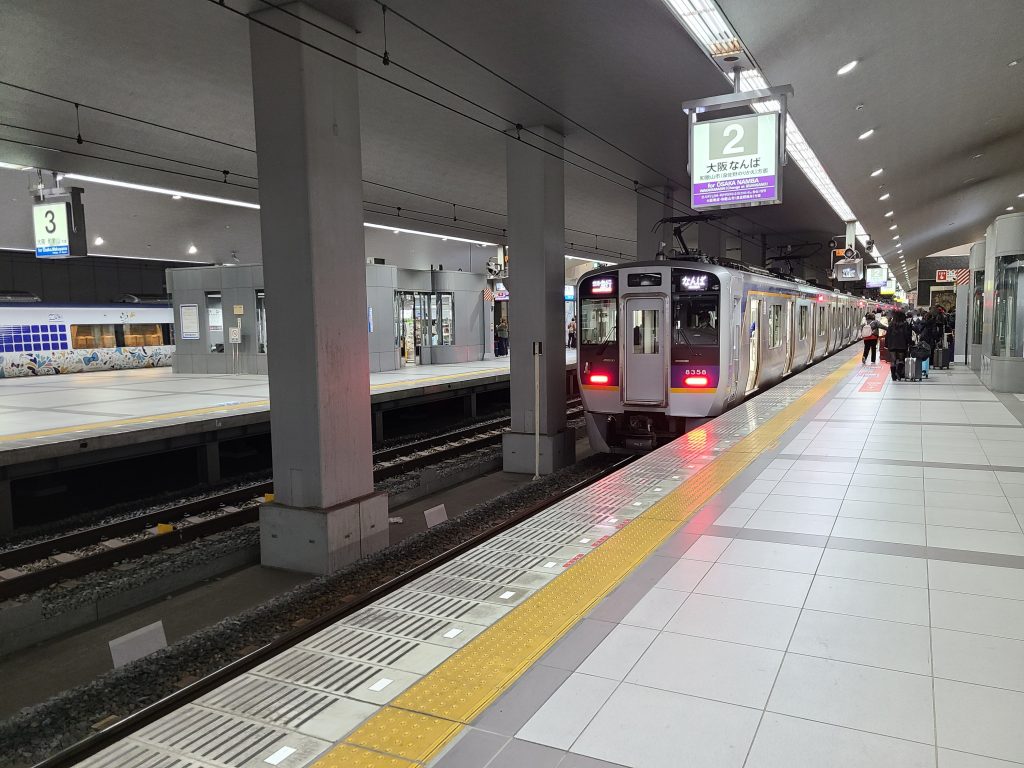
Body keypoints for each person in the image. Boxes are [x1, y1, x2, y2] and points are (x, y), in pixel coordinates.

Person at [885, 310, 914, 381]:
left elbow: (887, 335)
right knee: (901, 360)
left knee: (893, 360)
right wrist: (910, 342)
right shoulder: (905, 324)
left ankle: (893, 375)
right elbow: (907, 335)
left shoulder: (891, 324)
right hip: (902, 344)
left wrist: (886, 344)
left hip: (892, 345)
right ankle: (898, 372)